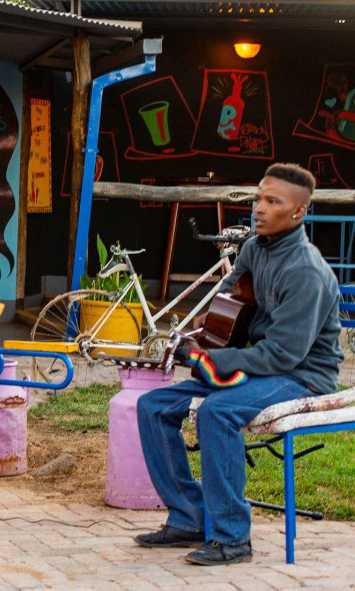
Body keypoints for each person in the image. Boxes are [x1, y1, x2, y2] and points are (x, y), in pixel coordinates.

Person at [135, 163, 342, 566]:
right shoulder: (253, 248)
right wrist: (203, 329)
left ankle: (232, 538)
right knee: (153, 407)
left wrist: (210, 358)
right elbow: (228, 300)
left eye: (271, 201)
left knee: (218, 410)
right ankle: (190, 516)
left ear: (297, 212)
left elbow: (284, 354)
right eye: (256, 198)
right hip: (260, 365)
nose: (258, 209)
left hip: (302, 376)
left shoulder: (305, 271)